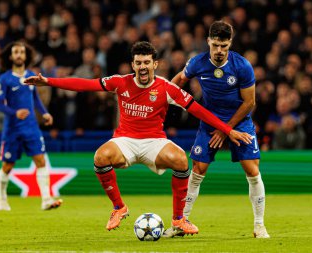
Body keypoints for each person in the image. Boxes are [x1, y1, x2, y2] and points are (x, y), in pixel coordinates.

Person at [24, 41, 252, 235]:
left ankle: (178, 219)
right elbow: (85, 85)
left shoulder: (167, 88)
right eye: (138, 63)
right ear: (133, 65)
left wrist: (228, 130)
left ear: (155, 64)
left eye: (146, 62)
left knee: (182, 160)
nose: (142, 67)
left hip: (155, 141)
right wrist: (50, 81)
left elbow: (198, 110)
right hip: (125, 141)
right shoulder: (120, 82)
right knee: (100, 157)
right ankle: (119, 207)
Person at [169, 21, 270, 238]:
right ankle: (180, 222)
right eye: (215, 45)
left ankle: (259, 225)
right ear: (208, 42)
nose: (219, 51)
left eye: (224, 46)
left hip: (239, 122)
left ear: (230, 43)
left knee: (252, 170)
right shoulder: (198, 62)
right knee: (198, 168)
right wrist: (166, 96)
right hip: (210, 121)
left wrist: (226, 129)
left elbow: (249, 103)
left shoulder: (242, 66)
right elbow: (180, 79)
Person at [0, 41, 63, 211]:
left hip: (31, 127)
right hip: (12, 129)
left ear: (26, 56)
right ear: (10, 56)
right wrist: (14, 112)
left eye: (22, 52)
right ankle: (2, 198)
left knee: (40, 160)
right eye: (16, 52)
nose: (19, 55)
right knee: (8, 166)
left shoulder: (31, 75)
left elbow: (35, 100)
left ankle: (46, 199)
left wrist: (45, 113)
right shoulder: (4, 79)